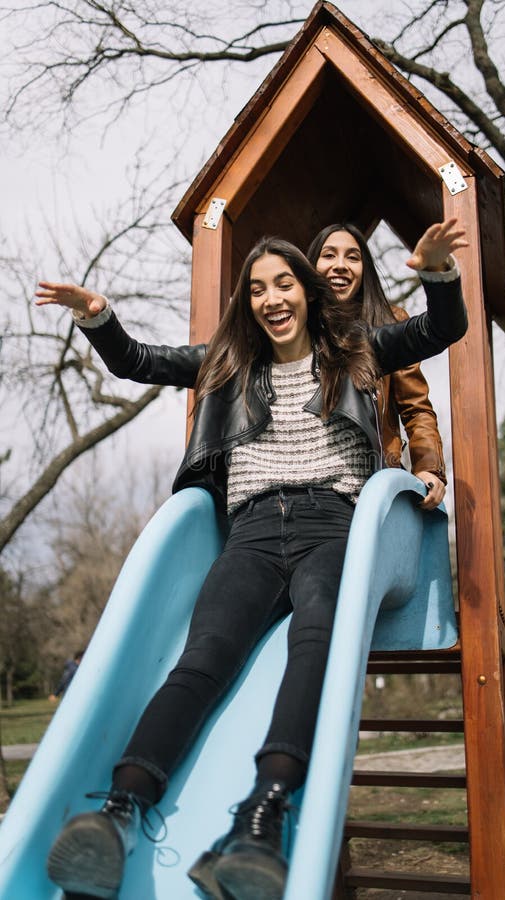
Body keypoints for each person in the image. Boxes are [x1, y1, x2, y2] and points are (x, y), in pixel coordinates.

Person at [35, 219, 468, 900]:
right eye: (258, 288)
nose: (272, 297)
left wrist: (438, 276)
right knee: (203, 658)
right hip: (254, 533)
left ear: (305, 292)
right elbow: (140, 362)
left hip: (333, 526)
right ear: (249, 301)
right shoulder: (230, 365)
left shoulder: (355, 352)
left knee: (315, 641)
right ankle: (120, 811)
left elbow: (437, 333)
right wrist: (99, 318)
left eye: (284, 284)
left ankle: (259, 818)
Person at [307, 223, 448, 511]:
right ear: (311, 266)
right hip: (308, 482)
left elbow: (416, 407)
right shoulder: (295, 330)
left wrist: (428, 467)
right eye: (329, 255)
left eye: (353, 257)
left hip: (370, 483)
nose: (340, 266)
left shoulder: (388, 323)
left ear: (364, 270)